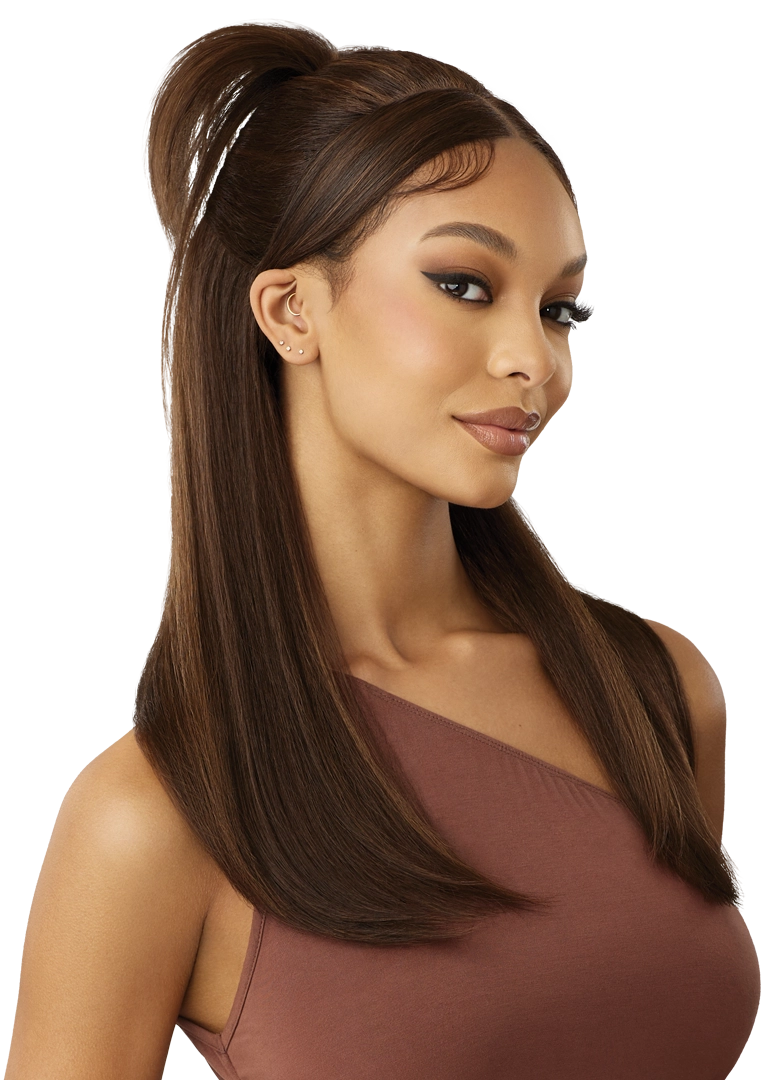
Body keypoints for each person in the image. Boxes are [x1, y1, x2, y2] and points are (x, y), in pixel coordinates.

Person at [6, 18, 759, 1080]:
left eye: (560, 309)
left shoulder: (652, 691)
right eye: (465, 285)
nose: (534, 360)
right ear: (290, 310)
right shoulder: (158, 814)